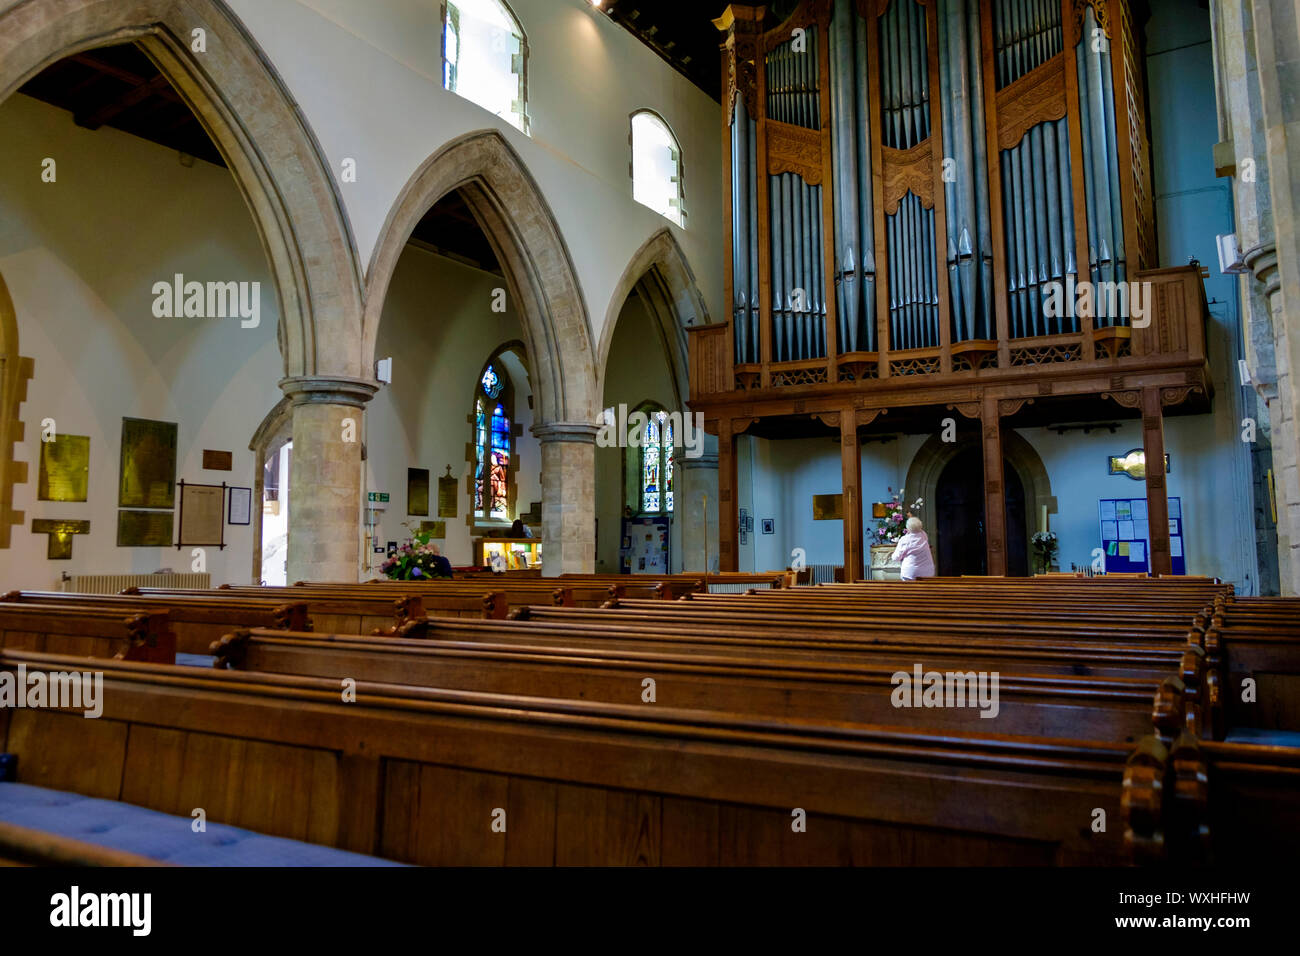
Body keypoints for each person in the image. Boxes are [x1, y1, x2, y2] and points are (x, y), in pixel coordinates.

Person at [890, 516, 935, 581]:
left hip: (910, 573)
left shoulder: (905, 540)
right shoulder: (924, 535)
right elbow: (918, 528)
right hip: (927, 572)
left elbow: (896, 558)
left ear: (907, 528)